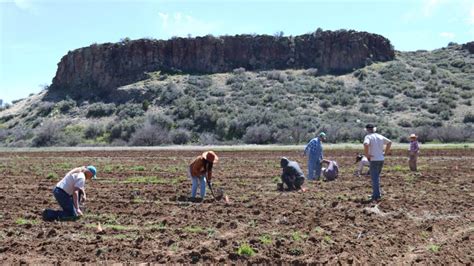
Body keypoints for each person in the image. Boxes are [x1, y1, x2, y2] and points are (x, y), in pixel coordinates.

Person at [363, 124, 392, 201]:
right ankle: (376, 193)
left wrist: (367, 155)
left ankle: (376, 196)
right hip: (381, 159)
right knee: (376, 177)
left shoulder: (368, 137)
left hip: (374, 159)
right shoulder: (380, 136)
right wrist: (385, 153)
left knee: (374, 178)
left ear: (367, 130)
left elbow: (366, 144)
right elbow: (389, 142)